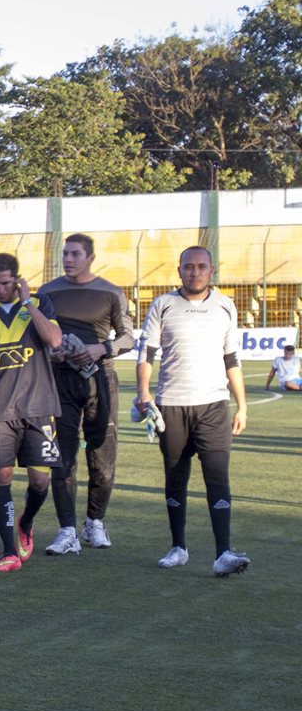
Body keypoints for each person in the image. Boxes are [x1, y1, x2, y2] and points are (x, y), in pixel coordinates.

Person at [137, 246, 251, 577]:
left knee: (217, 476)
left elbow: (232, 359)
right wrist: (144, 393)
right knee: (176, 477)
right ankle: (178, 547)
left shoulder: (225, 306)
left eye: (201, 267)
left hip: (214, 406)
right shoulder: (163, 305)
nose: (195, 272)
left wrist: (241, 405)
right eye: (189, 267)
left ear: (211, 270)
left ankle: (223, 553)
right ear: (180, 270)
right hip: (171, 404)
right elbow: (147, 353)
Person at [40, 234, 136, 555]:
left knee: (102, 457)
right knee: (62, 457)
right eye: (65, 254)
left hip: (100, 380)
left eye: (75, 254)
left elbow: (128, 338)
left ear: (90, 257)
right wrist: (51, 355)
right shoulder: (48, 292)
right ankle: (67, 529)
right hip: (60, 380)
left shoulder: (110, 292)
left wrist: (101, 348)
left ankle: (95, 521)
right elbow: (38, 336)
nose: (68, 259)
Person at [0, 253, 63, 573]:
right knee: (1, 477)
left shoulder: (40, 304)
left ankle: (26, 521)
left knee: (39, 480)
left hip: (39, 407)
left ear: (18, 280)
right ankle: (9, 552)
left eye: (5, 283)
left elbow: (53, 339)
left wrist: (28, 303)